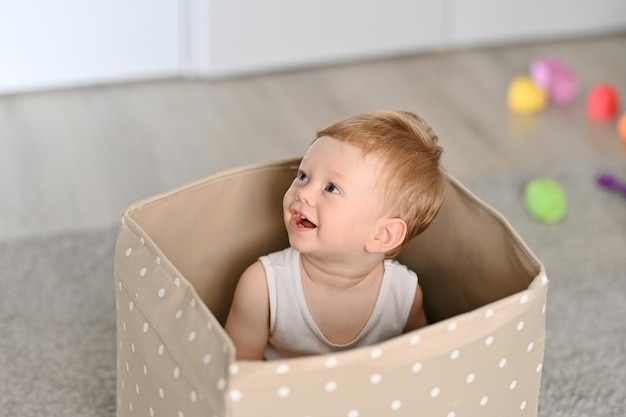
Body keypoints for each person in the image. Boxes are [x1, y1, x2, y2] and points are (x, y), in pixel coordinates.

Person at [225, 110, 447, 360]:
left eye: (331, 188)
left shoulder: (402, 295)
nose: (303, 193)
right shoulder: (262, 286)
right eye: (303, 176)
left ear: (383, 236)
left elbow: (421, 364)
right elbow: (239, 378)